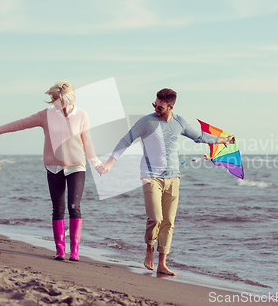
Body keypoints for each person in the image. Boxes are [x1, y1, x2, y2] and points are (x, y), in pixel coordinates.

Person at [99, 88, 235, 276]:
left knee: (169, 221)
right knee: (156, 218)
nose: (157, 108)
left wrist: (223, 140)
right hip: (150, 176)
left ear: (171, 107)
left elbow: (200, 137)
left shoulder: (179, 122)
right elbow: (126, 139)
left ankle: (162, 263)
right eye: (155, 105)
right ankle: (149, 250)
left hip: (173, 177)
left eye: (161, 107)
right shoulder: (147, 122)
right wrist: (109, 162)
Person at [0, 81, 103, 261]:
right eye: (51, 98)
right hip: (54, 167)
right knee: (58, 208)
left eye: (55, 98)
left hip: (76, 167)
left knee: (74, 207)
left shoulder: (82, 115)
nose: (52, 101)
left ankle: (75, 252)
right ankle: (60, 250)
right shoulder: (46, 115)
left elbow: (88, 143)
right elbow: (21, 123)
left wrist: (97, 164)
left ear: (66, 98)